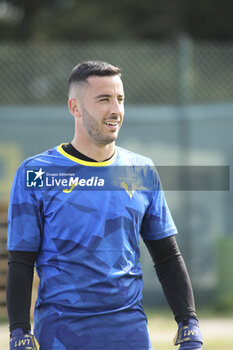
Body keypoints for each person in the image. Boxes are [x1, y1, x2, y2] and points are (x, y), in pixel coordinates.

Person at [6, 61, 203, 350]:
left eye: (120, 99)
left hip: (130, 334)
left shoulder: (141, 171)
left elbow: (167, 257)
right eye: (103, 99)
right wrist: (19, 331)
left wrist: (188, 321)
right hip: (60, 334)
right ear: (75, 107)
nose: (116, 109)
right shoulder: (37, 173)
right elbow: (21, 262)